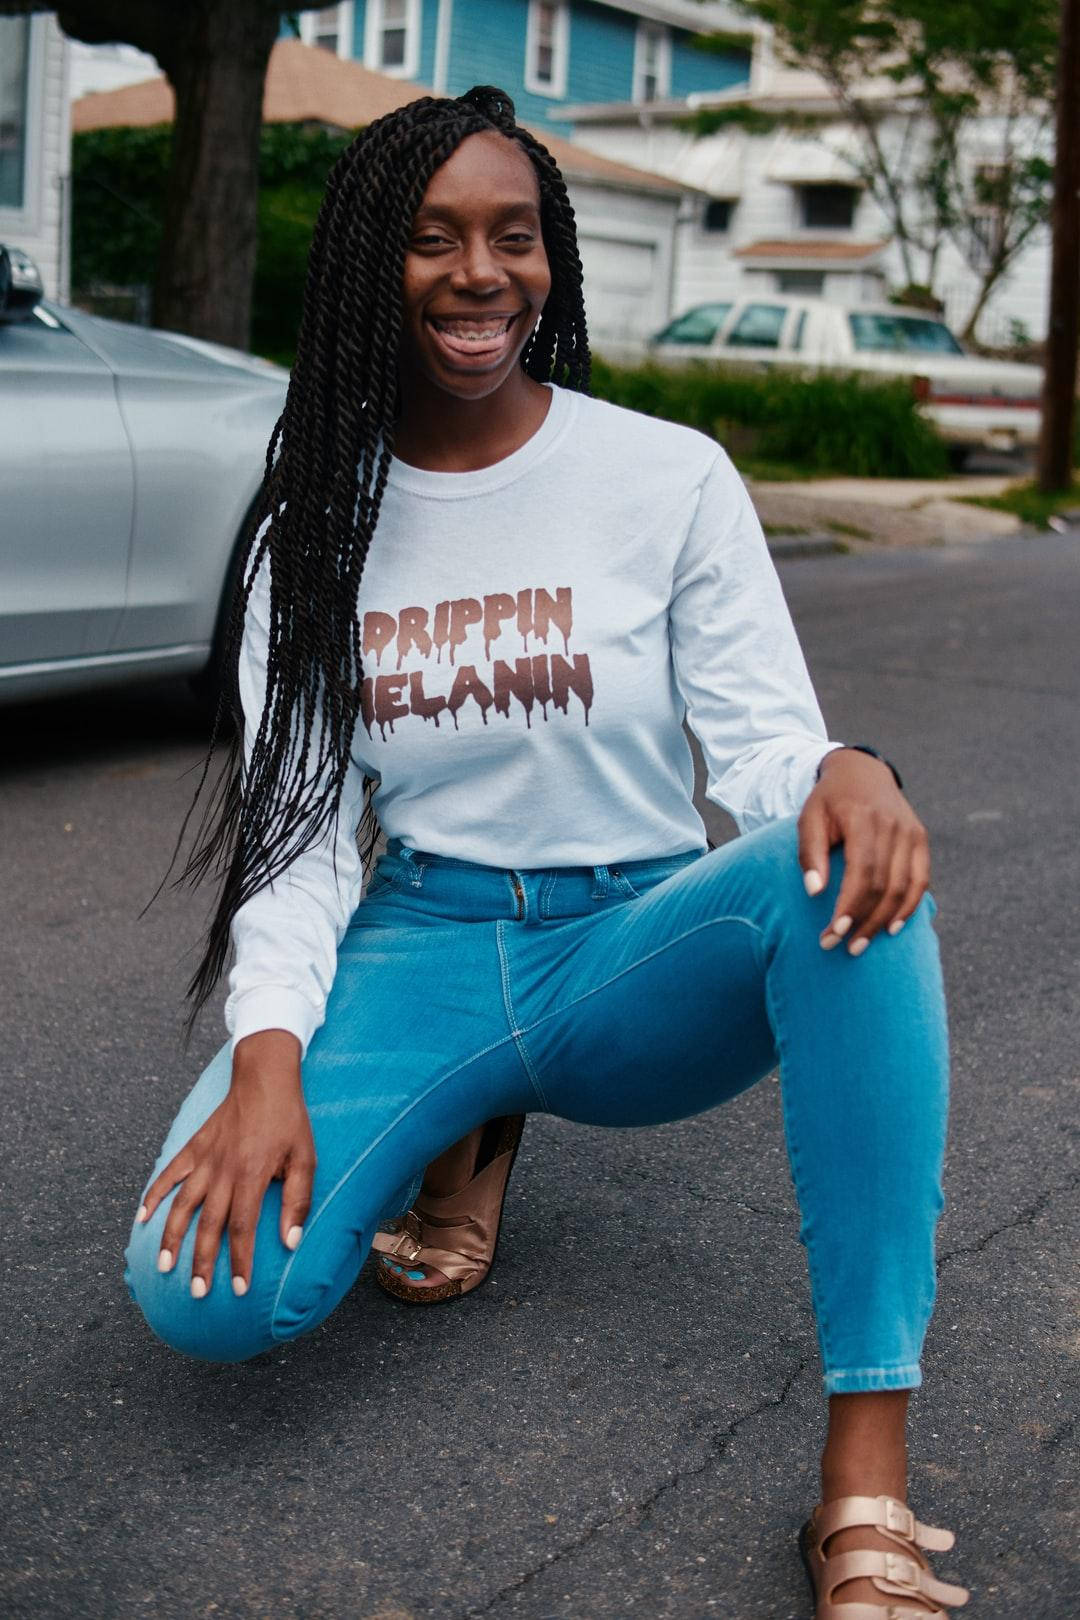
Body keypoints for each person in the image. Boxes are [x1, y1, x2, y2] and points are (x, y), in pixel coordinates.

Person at [124, 86, 969, 1618]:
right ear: (373, 263)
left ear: (553, 263)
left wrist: (848, 770)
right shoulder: (317, 524)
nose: (480, 273)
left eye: (515, 236)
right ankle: (468, 1118)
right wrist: (264, 1063)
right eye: (435, 238)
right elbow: (303, 834)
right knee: (200, 1292)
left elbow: (769, 746)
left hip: (631, 947)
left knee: (851, 868)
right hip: (426, 939)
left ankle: (865, 1468)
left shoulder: (666, 477)